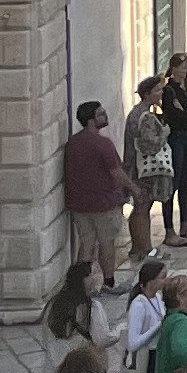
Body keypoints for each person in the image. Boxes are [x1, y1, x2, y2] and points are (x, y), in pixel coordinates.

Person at [68, 102, 134, 285]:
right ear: (91, 120)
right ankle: (109, 282)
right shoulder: (103, 144)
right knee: (107, 243)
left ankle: (80, 283)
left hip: (79, 203)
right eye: (100, 114)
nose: (105, 116)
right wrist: (134, 188)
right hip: (103, 202)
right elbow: (116, 172)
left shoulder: (73, 142)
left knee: (86, 243)